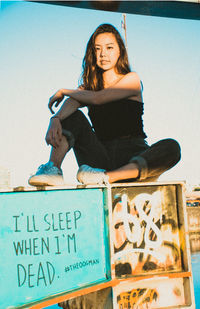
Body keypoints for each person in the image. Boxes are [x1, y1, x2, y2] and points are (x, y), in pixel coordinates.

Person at [28, 23, 181, 187]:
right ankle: (53, 169)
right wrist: (55, 118)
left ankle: (109, 177)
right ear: (92, 53)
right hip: (99, 159)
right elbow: (72, 103)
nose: (103, 54)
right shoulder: (87, 89)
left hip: (133, 156)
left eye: (109, 48)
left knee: (172, 147)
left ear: (119, 50)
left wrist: (64, 90)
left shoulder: (132, 80)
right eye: (97, 49)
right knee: (72, 116)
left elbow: (98, 98)